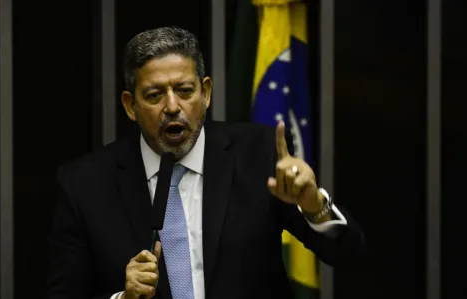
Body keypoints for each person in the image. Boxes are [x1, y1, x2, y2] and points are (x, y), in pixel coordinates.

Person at [45, 26, 365, 299]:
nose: (173, 106)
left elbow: (348, 254)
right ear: (130, 106)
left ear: (206, 93)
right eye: (155, 95)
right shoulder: (84, 185)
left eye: (185, 91)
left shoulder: (258, 155)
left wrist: (313, 205)